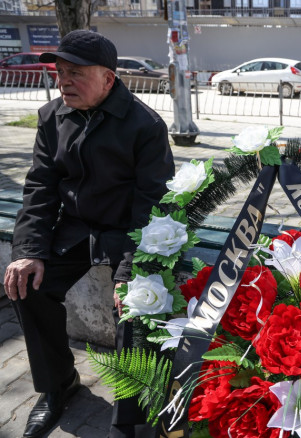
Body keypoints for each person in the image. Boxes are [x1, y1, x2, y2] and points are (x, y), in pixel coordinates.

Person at [2, 30, 174, 438]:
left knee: (137, 305)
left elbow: (154, 203)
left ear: (108, 79)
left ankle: (131, 415)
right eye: (60, 72)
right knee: (28, 286)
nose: (64, 81)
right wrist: (28, 251)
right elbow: (40, 189)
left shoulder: (145, 124)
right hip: (75, 229)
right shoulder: (51, 117)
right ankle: (59, 386)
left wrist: (129, 269)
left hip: (127, 231)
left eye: (76, 73)